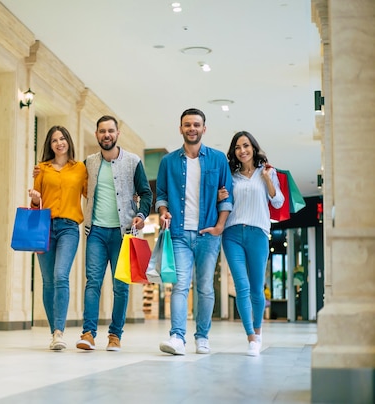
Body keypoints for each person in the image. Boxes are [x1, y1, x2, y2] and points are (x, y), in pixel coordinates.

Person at [155, 108, 233, 355]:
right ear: (180, 128)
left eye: (196, 125)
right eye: (187, 125)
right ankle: (177, 337)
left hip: (208, 234)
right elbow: (162, 195)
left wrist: (220, 226)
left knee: (206, 287)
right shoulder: (168, 161)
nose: (192, 129)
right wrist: (163, 211)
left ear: (204, 129)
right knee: (179, 286)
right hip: (178, 233)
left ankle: (202, 336)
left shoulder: (218, 159)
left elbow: (226, 196)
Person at [75, 115, 153, 352]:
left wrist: (141, 214)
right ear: (97, 134)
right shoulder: (89, 162)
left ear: (117, 134)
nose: (106, 135)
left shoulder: (133, 161)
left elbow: (146, 192)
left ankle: (115, 335)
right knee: (93, 283)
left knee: (121, 286)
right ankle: (88, 334)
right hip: (96, 231)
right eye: (101, 131)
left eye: (110, 131)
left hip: (123, 233)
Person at [221, 130, 284, 356]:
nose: (242, 151)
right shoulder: (230, 175)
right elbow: (224, 202)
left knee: (257, 288)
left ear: (253, 148)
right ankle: (250, 337)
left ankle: (258, 332)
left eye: (246, 146)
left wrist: (267, 179)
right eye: (238, 147)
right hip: (232, 234)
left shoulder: (267, 172)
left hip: (258, 233)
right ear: (234, 152)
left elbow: (277, 202)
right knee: (242, 286)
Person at [29, 125, 87, 351]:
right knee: (48, 281)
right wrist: (34, 198)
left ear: (69, 142)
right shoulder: (41, 168)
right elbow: (37, 203)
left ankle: (59, 331)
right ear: (49, 145)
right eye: (54, 140)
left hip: (69, 228)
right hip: (45, 227)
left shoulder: (80, 168)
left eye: (63, 139)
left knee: (61, 275)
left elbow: (90, 193)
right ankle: (55, 333)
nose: (59, 143)